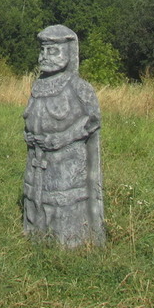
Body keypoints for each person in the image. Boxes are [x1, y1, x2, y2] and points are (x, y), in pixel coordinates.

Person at [23, 25, 105, 248]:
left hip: (67, 164)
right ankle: (36, 237)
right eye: (43, 50)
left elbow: (93, 121)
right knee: (35, 200)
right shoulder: (38, 85)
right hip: (37, 162)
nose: (45, 57)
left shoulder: (78, 87)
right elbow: (31, 118)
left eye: (53, 51)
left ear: (69, 52)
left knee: (62, 205)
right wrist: (28, 135)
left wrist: (62, 139)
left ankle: (68, 243)